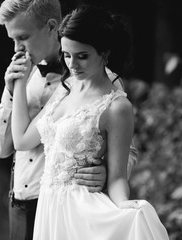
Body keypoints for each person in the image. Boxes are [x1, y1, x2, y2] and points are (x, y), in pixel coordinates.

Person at [9, 4, 170, 240]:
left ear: (104, 53)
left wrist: (125, 206)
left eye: (82, 56)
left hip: (82, 214)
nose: (72, 65)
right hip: (50, 209)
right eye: (66, 55)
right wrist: (20, 83)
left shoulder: (116, 106)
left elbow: (117, 177)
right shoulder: (67, 88)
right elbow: (22, 140)